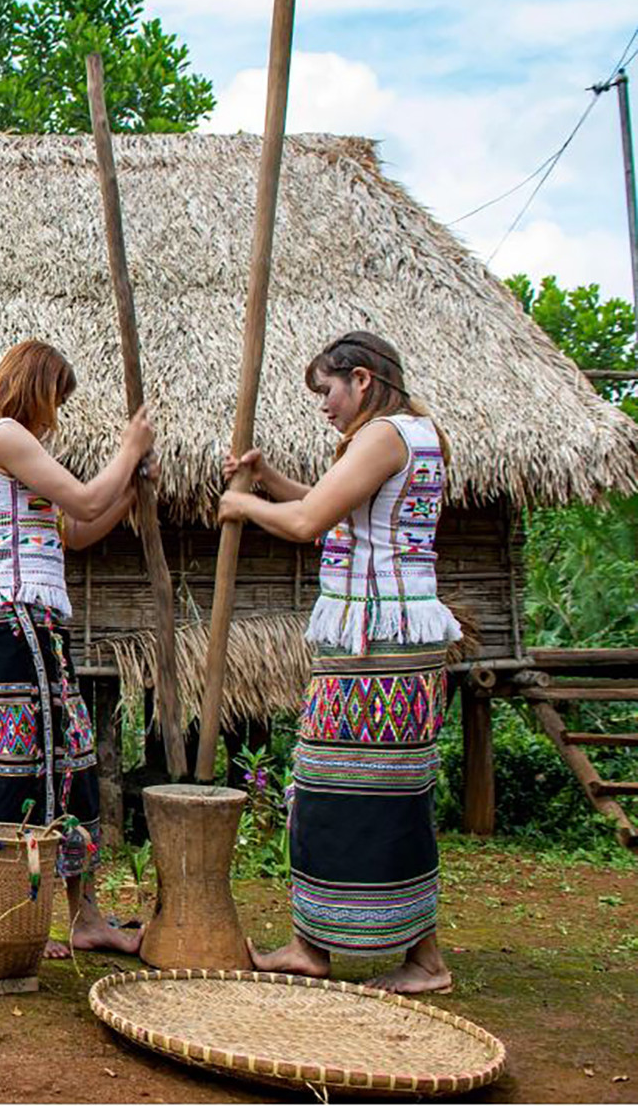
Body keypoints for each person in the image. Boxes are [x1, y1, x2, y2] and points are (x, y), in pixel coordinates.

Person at [220, 331, 460, 995]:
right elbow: (340, 511)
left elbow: (307, 523)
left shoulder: (383, 436)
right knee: (386, 794)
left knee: (336, 789)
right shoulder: (410, 435)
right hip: (389, 638)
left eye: (326, 391)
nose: (323, 406)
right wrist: (268, 480)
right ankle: (352, 947)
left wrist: (242, 503)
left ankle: (349, 950)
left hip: (376, 646)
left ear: (360, 379)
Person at [0, 339, 152, 957]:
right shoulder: (5, 436)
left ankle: (84, 916)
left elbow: (76, 529)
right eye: (56, 400)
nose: (56, 416)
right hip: (17, 621)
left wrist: (129, 492)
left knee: (67, 759)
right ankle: (17, 913)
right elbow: (87, 498)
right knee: (31, 767)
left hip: (35, 621)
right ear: (36, 388)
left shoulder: (19, 449)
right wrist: (127, 452)